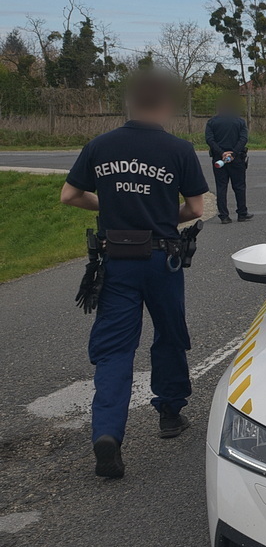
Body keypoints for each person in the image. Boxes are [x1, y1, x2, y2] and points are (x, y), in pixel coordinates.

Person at [61, 72, 208, 479]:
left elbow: (69, 195)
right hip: (162, 260)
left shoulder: (100, 146)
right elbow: (196, 209)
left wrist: (106, 205)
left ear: (130, 103)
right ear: (164, 106)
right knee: (168, 334)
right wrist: (163, 215)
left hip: (116, 261)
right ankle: (169, 414)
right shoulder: (178, 149)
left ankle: (107, 434)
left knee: (113, 350)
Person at [205, 95, 252, 224]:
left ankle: (224, 216)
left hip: (218, 159)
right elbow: (243, 139)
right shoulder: (240, 122)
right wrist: (233, 153)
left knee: (221, 187)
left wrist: (222, 153)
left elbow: (210, 140)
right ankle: (242, 213)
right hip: (237, 159)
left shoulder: (212, 122)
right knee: (239, 186)